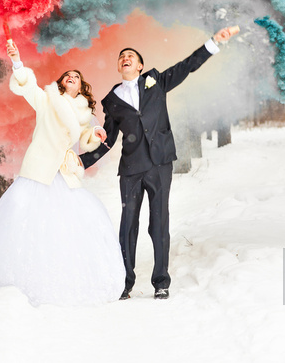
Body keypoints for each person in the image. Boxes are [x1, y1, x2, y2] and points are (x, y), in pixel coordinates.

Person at [80, 26, 240, 300]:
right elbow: (107, 140)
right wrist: (81, 162)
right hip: (130, 169)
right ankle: (124, 282)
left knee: (159, 222)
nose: (125, 58)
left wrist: (214, 43)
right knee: (127, 225)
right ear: (120, 66)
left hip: (159, 164)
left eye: (130, 55)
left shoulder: (156, 81)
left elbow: (187, 66)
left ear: (140, 65)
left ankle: (161, 282)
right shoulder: (112, 101)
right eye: (121, 57)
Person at [0, 40, 125, 306]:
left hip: (65, 170)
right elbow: (28, 88)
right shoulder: (47, 99)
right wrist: (18, 62)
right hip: (40, 167)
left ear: (81, 86)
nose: (71, 78)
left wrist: (96, 133)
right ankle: (22, 274)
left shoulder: (86, 112)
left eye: (76, 77)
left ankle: (67, 273)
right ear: (61, 83)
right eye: (67, 75)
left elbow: (87, 138)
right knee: (28, 215)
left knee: (69, 222)